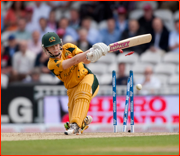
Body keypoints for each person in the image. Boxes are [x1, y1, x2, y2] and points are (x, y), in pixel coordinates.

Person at [41, 32, 109, 135]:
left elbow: (86, 61)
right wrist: (90, 50)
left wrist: (92, 55)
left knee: (82, 95)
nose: (55, 48)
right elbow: (74, 61)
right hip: (72, 88)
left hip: (87, 78)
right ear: (46, 49)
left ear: (60, 43)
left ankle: (77, 123)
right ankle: (83, 121)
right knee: (73, 123)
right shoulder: (51, 64)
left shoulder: (69, 47)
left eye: (56, 45)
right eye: (51, 47)